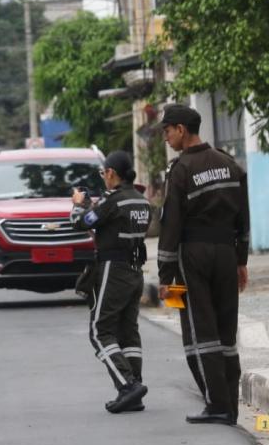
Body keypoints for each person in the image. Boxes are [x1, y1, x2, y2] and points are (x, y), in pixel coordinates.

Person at [157, 104, 251, 425]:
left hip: (190, 258)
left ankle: (217, 405)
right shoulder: (229, 164)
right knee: (227, 330)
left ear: (181, 129)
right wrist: (242, 261)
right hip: (226, 253)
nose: (166, 138)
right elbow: (244, 217)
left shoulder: (180, 170)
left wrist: (165, 276)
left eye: (167, 131)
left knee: (197, 328)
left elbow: (171, 226)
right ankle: (230, 405)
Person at [70, 151, 152, 413]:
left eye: (103, 173)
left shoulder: (113, 201)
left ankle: (127, 386)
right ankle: (134, 389)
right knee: (128, 331)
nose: (103, 178)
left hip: (113, 269)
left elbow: (79, 223)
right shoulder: (141, 200)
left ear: (112, 173)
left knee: (100, 330)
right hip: (134, 269)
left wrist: (79, 204)